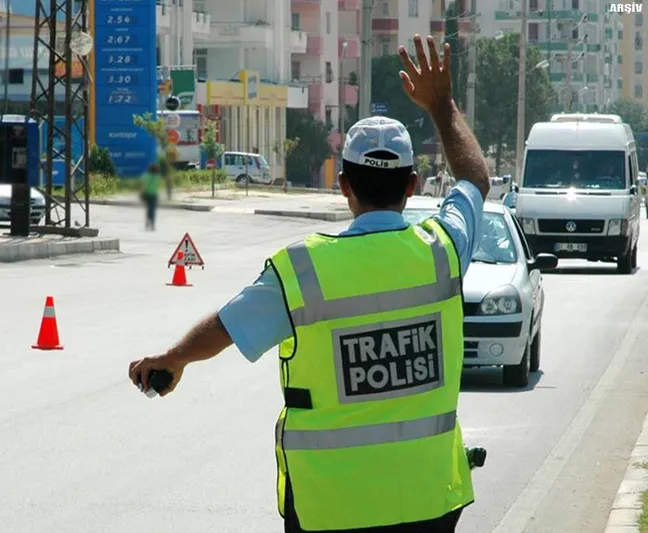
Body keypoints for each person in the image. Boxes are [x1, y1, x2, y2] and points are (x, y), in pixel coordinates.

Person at [129, 34, 491, 533]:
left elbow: (228, 326)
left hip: (329, 508)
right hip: (428, 502)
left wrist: (174, 359)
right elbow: (475, 181)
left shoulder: (302, 271)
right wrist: (442, 105)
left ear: (344, 185)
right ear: (413, 185)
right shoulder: (443, 249)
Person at [141, 163, 162, 231]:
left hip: (147, 194)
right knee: (153, 210)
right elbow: (158, 185)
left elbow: (143, 185)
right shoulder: (158, 176)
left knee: (148, 209)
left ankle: (147, 223)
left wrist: (142, 192)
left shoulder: (146, 176)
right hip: (154, 195)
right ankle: (152, 224)